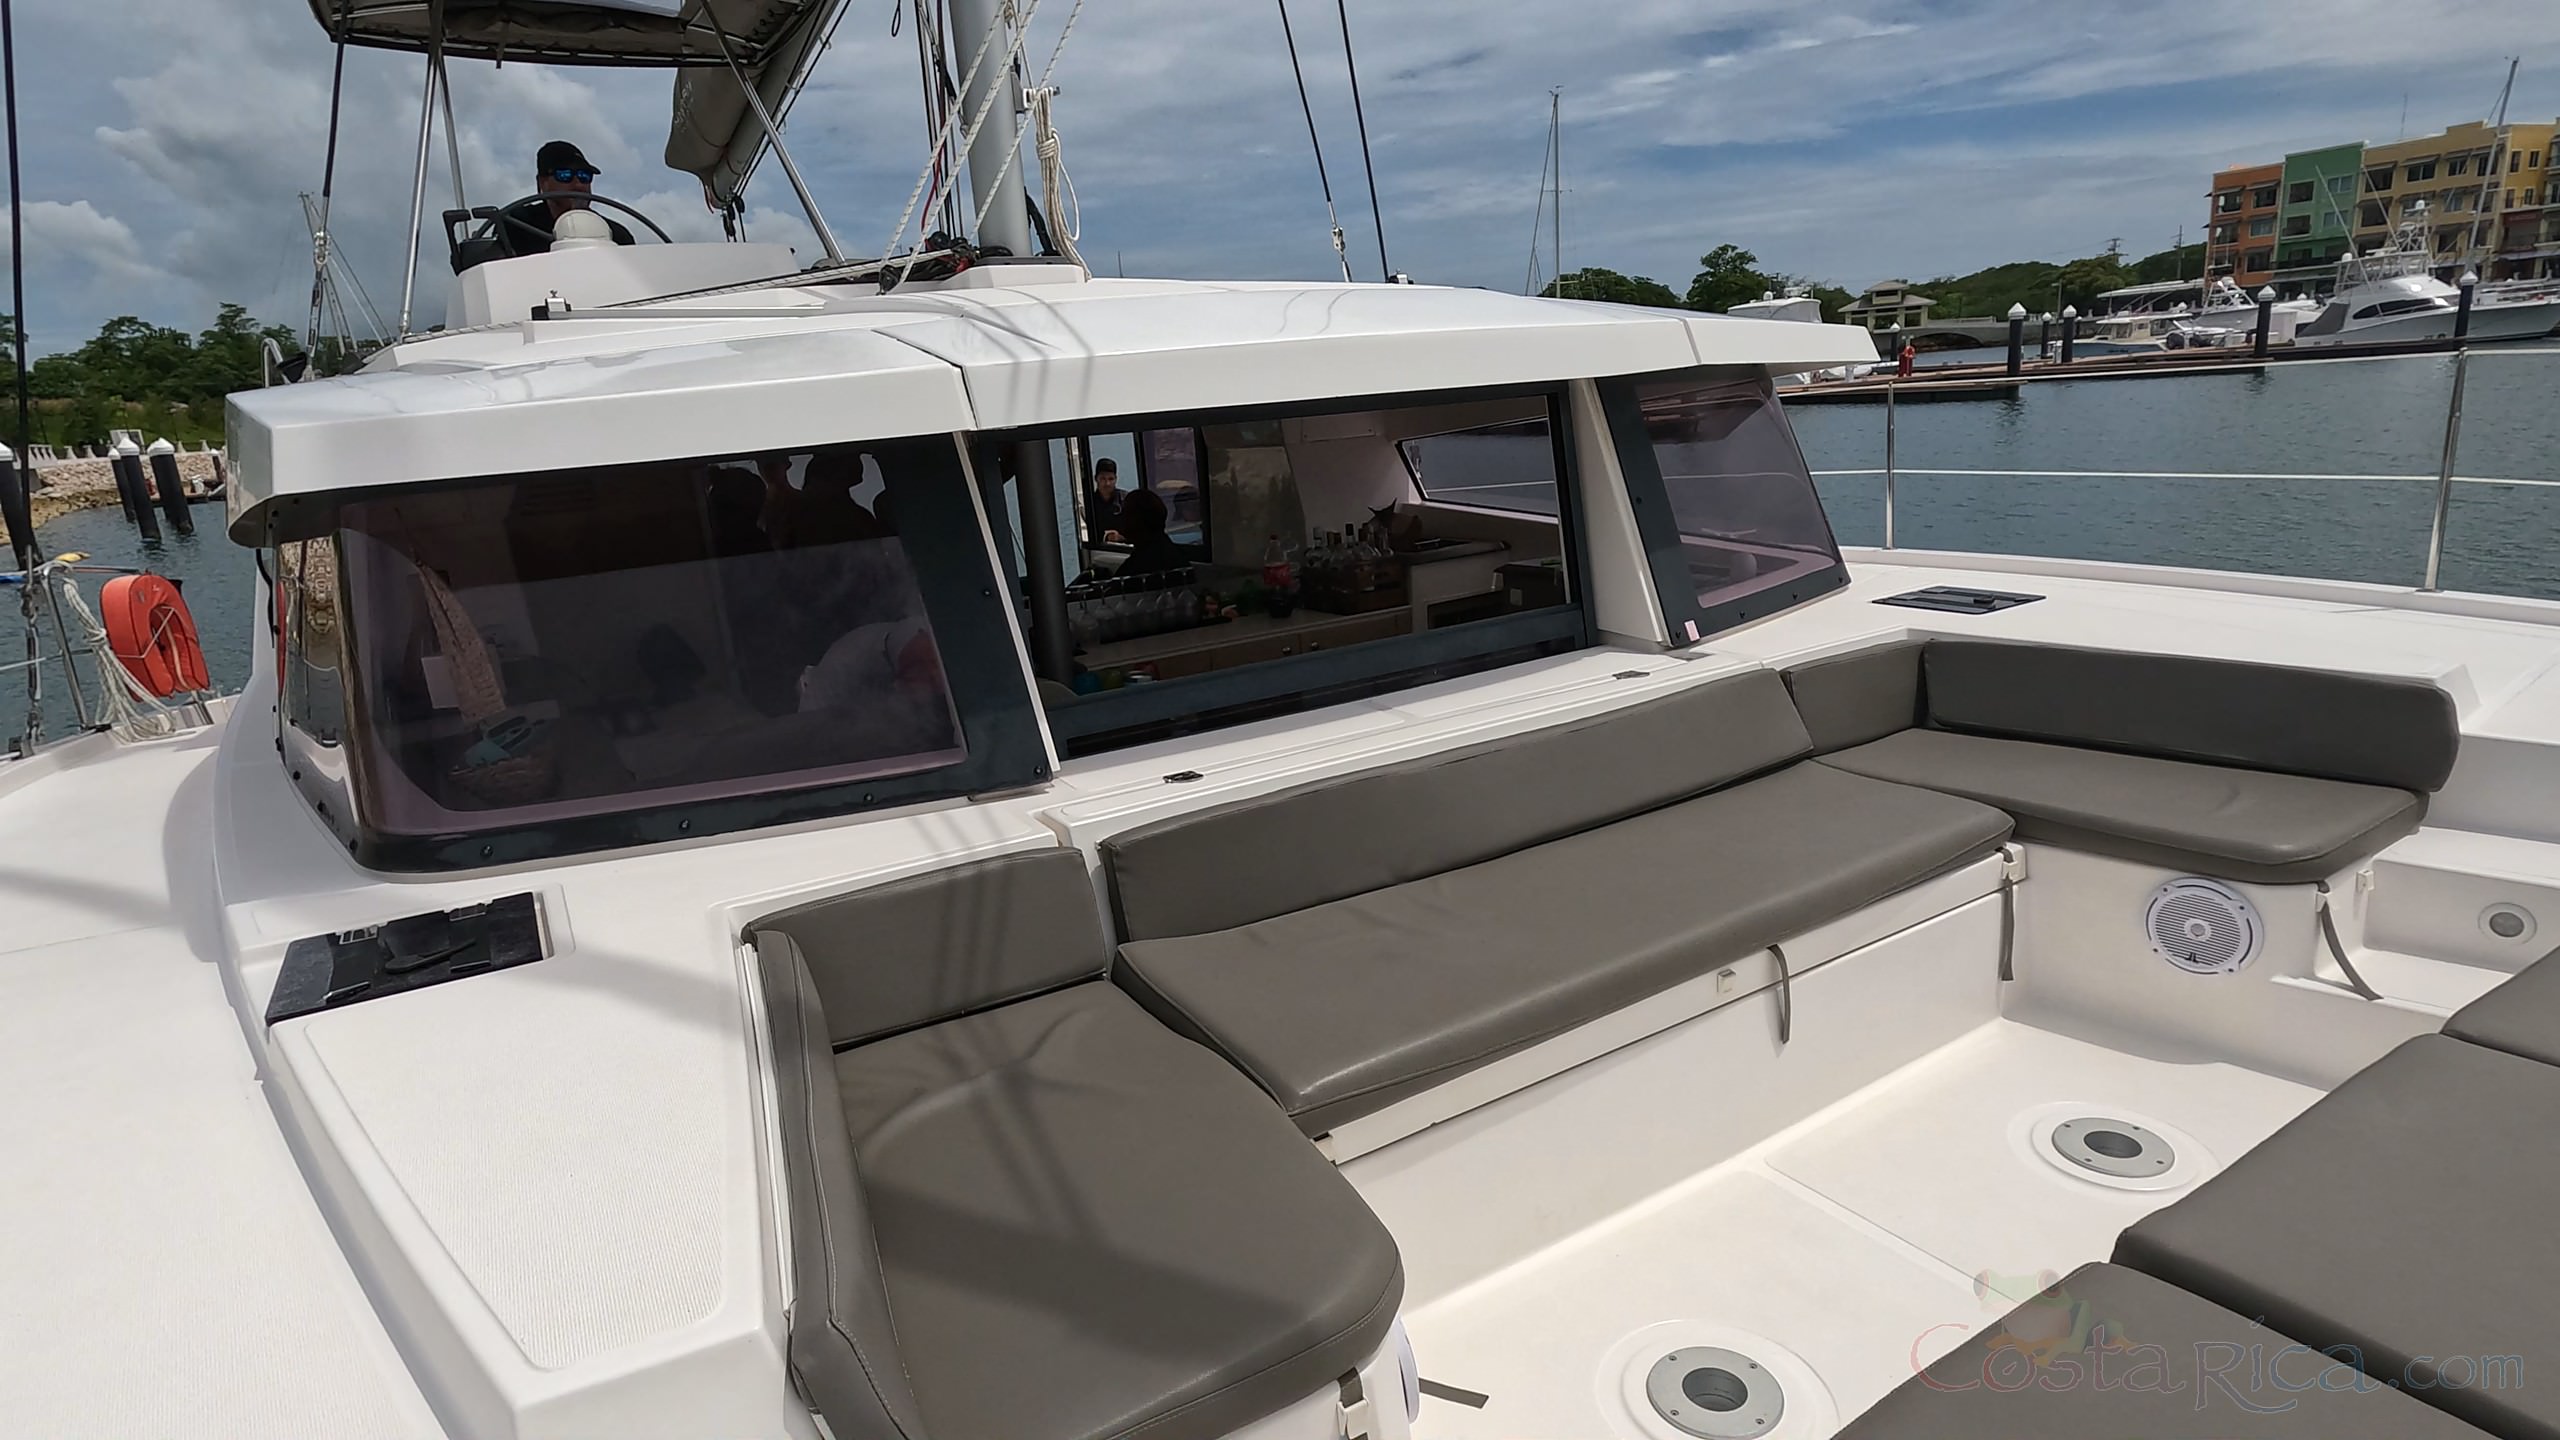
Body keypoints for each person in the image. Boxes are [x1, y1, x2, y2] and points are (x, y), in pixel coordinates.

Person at [498, 141, 635, 253]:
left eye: (584, 176)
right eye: (565, 175)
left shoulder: (619, 236)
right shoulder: (515, 224)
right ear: (542, 183)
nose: (579, 185)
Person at [1113, 487, 1191, 577]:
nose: (1121, 519)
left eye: (1125, 514)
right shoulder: (1174, 554)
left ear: (1136, 521)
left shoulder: (1137, 568)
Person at [1088, 458, 1127, 543]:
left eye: (1111, 479)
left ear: (1116, 479)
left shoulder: (1126, 500)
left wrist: (1121, 537)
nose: (1107, 483)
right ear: (1096, 479)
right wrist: (1106, 536)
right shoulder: (1089, 503)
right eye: (1103, 479)